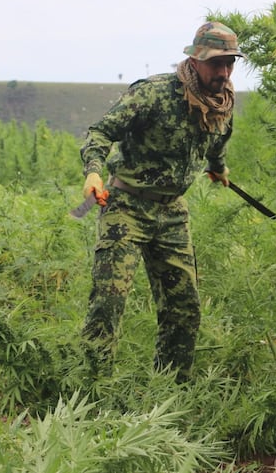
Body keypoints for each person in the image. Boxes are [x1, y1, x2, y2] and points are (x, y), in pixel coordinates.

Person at [79, 21, 243, 382]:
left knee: (184, 309)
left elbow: (216, 143)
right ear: (197, 59)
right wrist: (93, 171)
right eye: (217, 63)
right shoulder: (154, 93)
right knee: (108, 304)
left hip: (172, 213)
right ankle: (92, 391)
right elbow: (101, 132)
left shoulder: (222, 102)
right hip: (126, 206)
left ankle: (169, 393)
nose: (225, 71)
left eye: (230, 63)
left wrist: (219, 169)